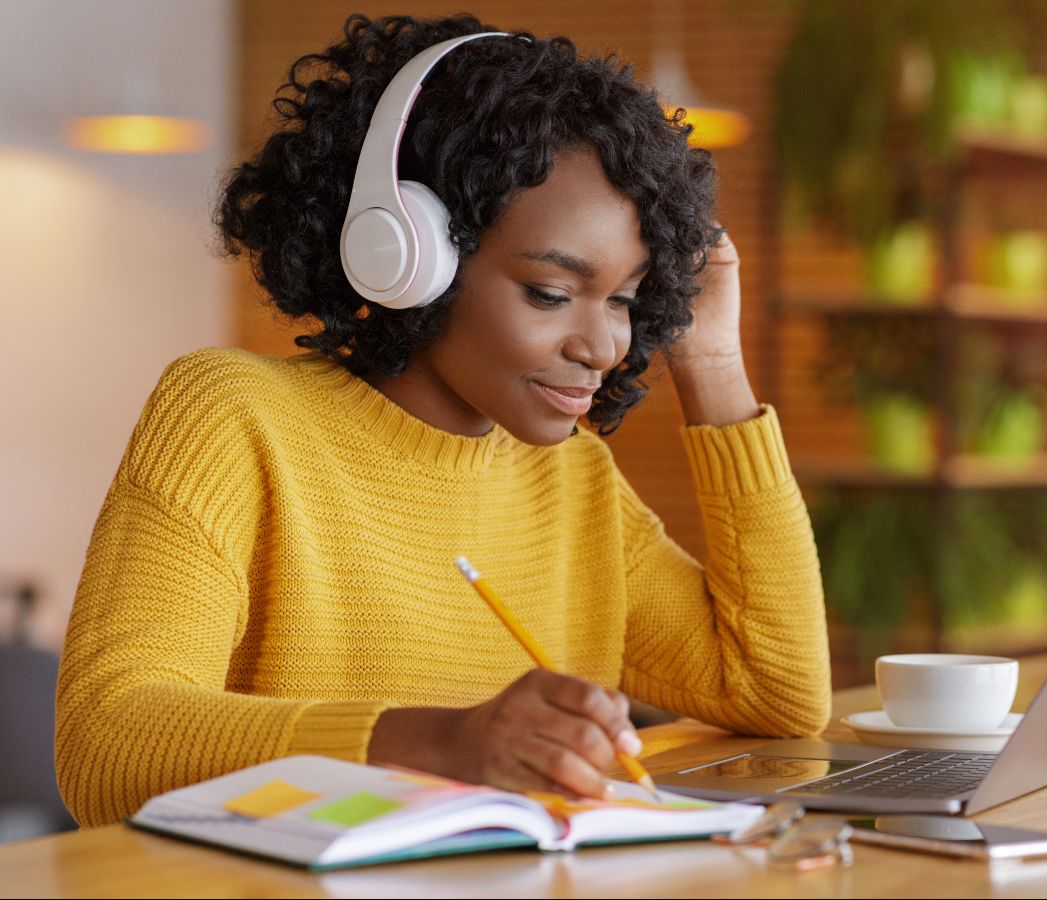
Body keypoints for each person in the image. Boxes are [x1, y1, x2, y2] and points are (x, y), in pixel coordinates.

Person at [54, 13, 831, 829]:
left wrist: (709, 363)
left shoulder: (571, 476)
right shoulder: (233, 418)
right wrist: (439, 743)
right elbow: (106, 745)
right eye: (551, 293)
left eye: (629, 301)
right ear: (409, 254)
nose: (602, 344)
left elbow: (777, 693)